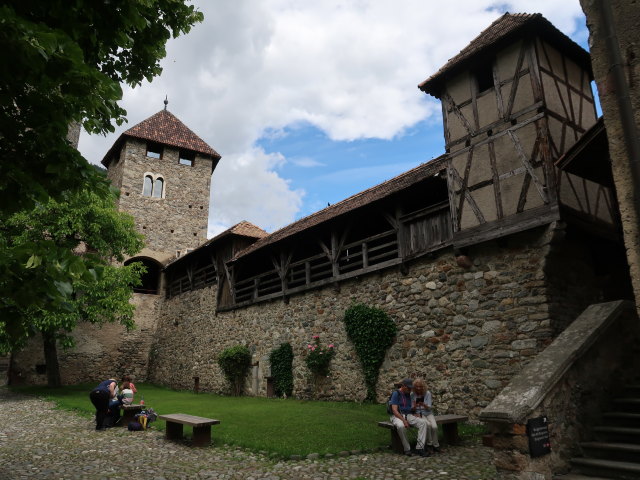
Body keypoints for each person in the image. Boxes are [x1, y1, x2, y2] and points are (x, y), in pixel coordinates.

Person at [389, 378, 429, 457]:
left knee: (423, 423)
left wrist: (414, 412)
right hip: (398, 416)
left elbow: (410, 407)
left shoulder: (408, 393)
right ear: (403, 386)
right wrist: (404, 420)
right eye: (408, 387)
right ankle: (407, 449)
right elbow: (394, 410)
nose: (410, 389)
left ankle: (419, 448)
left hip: (409, 415)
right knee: (401, 426)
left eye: (411, 388)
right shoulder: (396, 393)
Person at [412, 378, 440, 453]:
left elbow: (429, 407)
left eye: (420, 386)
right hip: (419, 413)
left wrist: (424, 404)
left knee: (434, 426)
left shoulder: (427, 393)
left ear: (423, 386)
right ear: (414, 387)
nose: (418, 388)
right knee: (428, 425)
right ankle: (429, 445)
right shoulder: (412, 394)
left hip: (428, 412)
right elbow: (412, 409)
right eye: (417, 386)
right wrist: (414, 407)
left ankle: (436, 445)